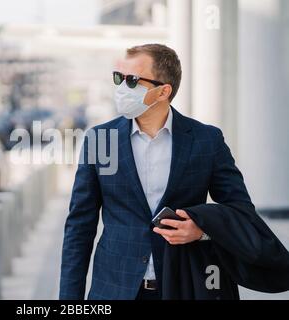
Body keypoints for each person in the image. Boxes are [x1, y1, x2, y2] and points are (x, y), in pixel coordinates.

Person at [59, 44, 289, 300]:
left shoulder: (206, 140)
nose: (122, 88)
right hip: (114, 290)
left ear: (163, 91)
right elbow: (80, 226)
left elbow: (241, 210)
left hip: (184, 286)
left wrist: (202, 230)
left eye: (132, 81)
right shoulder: (101, 140)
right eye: (119, 78)